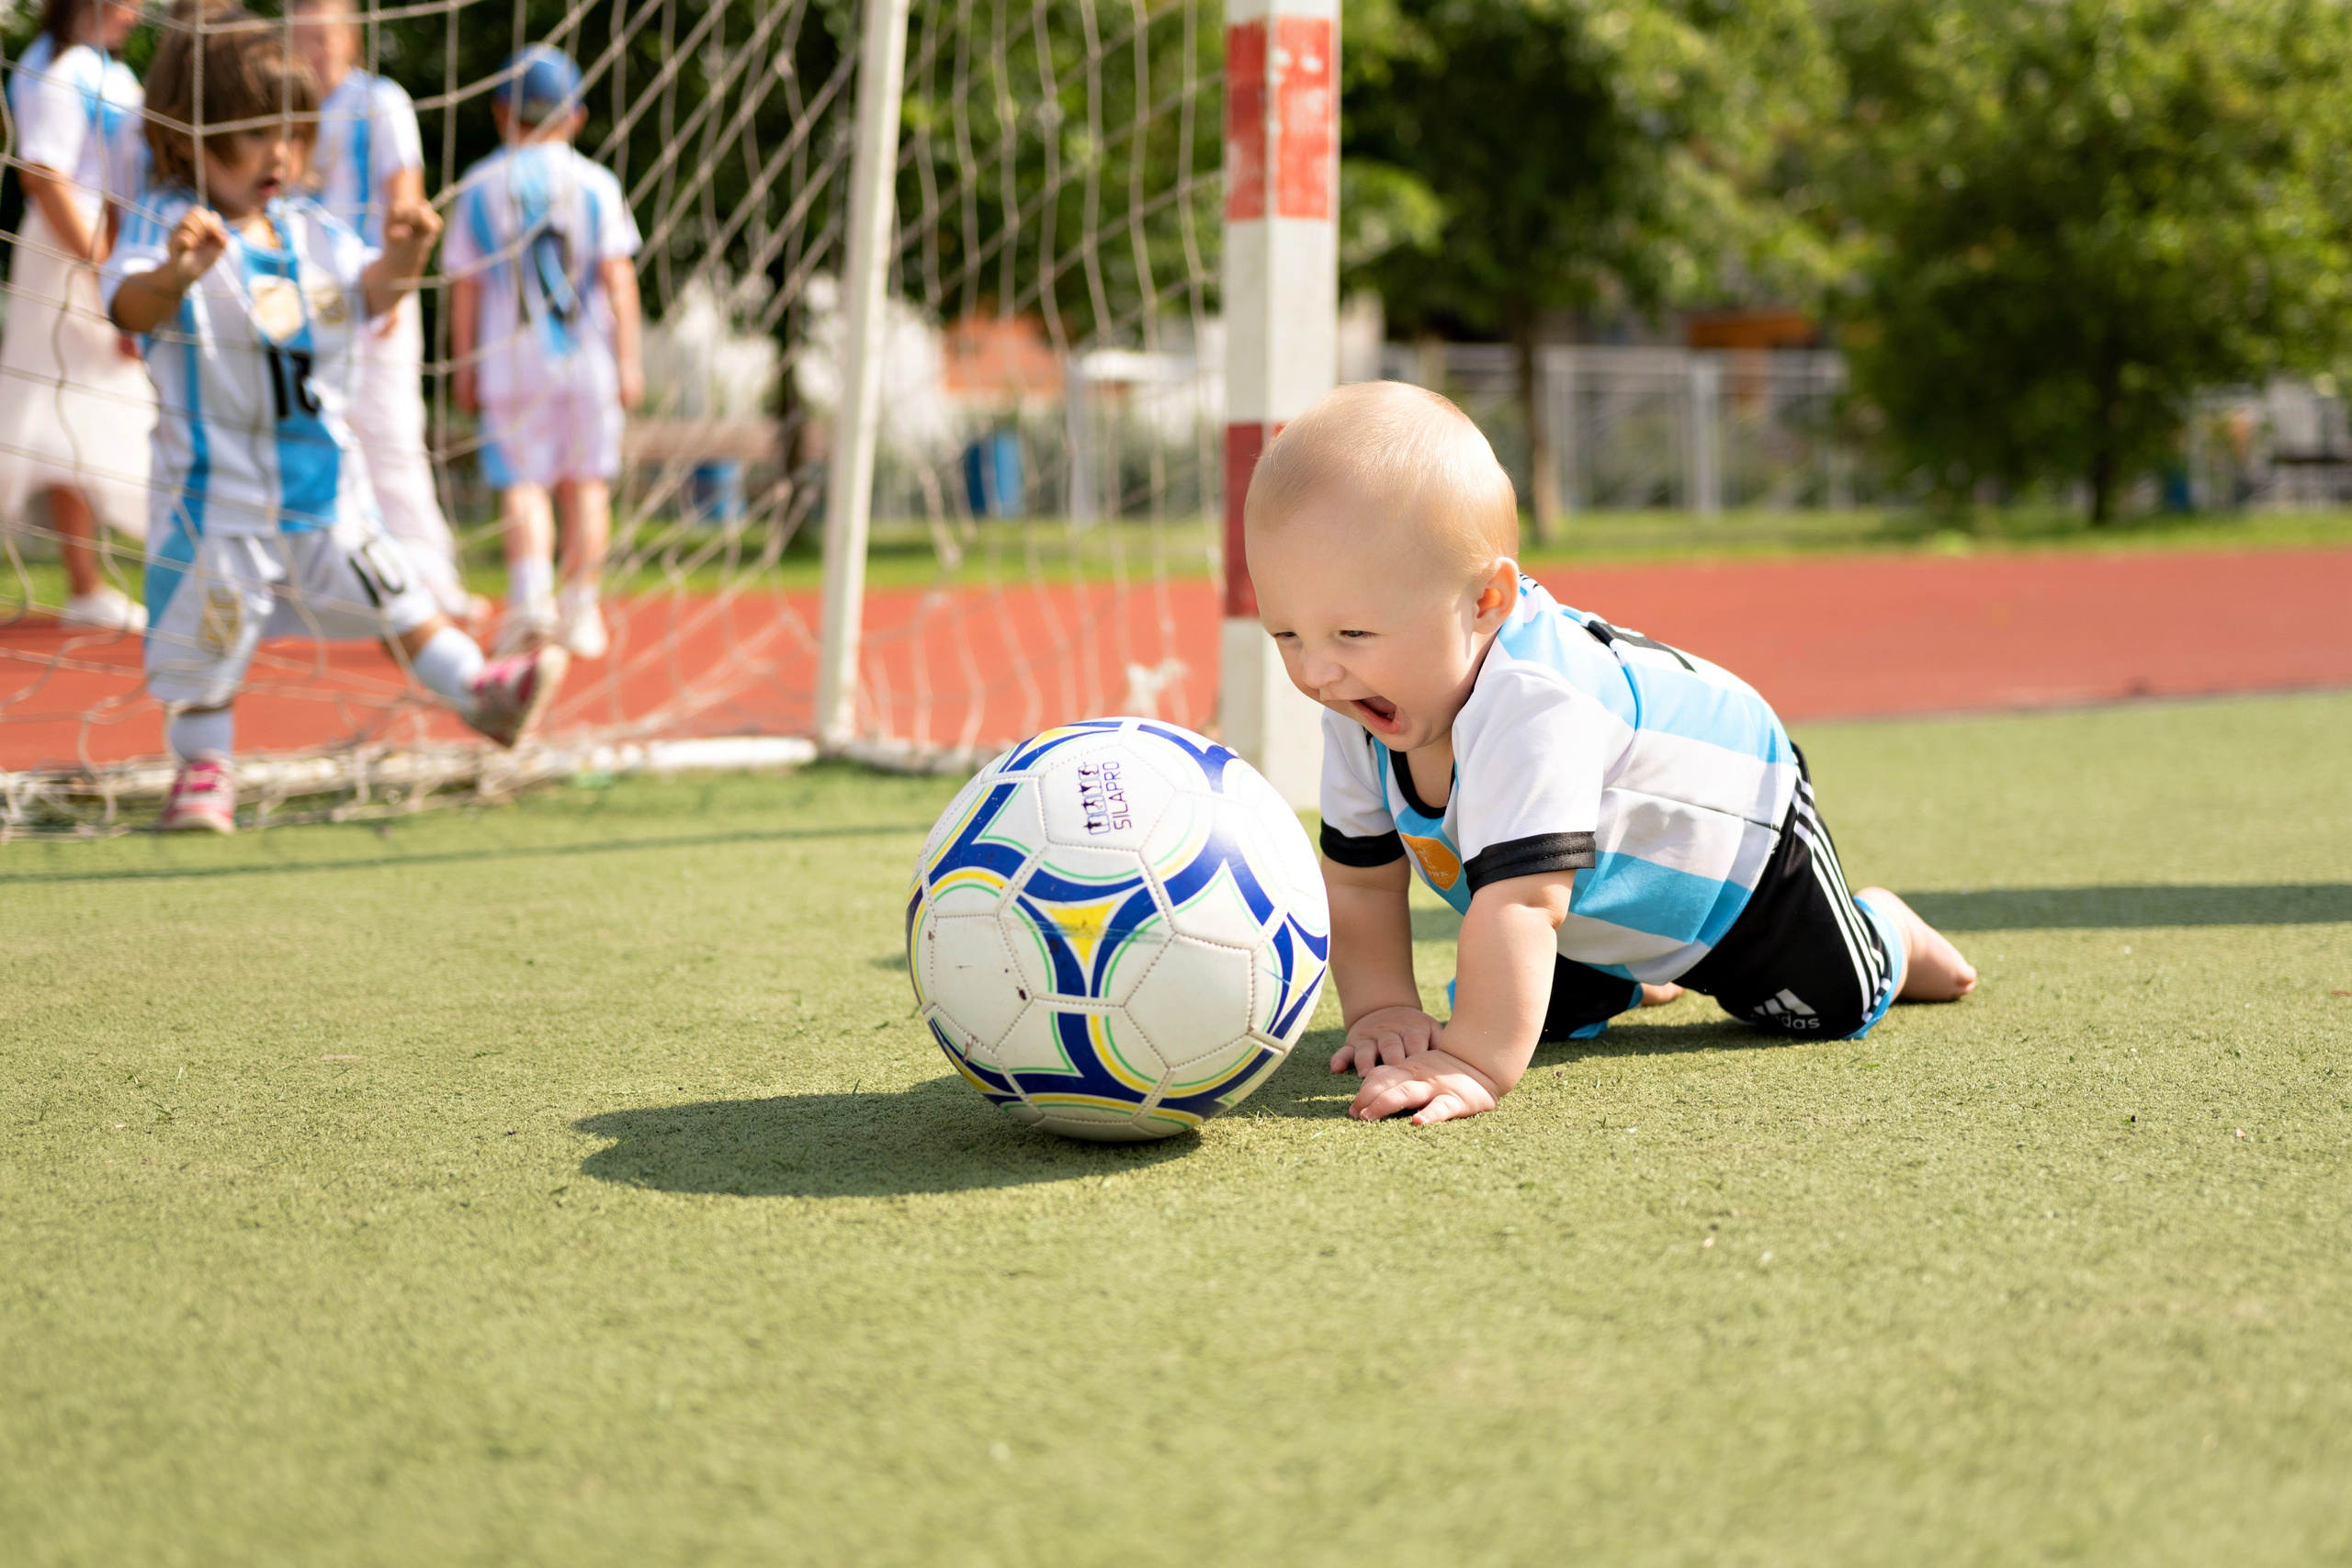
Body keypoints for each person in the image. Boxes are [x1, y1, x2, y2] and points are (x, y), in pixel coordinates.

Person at [1246, 382, 1978, 1125]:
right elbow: (1362, 881)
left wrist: (1471, 1063)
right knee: (1530, 1002)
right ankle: (1628, 972)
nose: (1313, 672)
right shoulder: (1357, 697)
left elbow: (1525, 903)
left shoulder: (1535, 702)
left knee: (1828, 1001)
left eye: (1352, 634)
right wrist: (1382, 1008)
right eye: (1287, 635)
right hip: (1598, 894)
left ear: (1485, 603)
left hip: (1738, 847)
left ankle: (1889, 929)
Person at [103, 13, 565, 833]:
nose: (279, 153)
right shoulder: (169, 220)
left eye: (293, 130)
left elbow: (370, 294)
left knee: (399, 595)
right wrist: (176, 274)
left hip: (324, 485)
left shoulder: (307, 228)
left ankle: (481, 693)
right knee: (203, 638)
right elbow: (127, 302)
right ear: (191, 137)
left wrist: (407, 255)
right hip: (218, 496)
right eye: (254, 134)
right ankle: (203, 771)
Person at [288, 0, 486, 631]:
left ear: (348, 37)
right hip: (297, 298)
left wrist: (397, 281)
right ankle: (313, 585)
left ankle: (433, 582)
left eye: (322, 37)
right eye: (301, 37)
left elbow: (405, 191)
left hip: (370, 289)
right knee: (304, 439)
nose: (313, 51)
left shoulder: (380, 101)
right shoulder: (281, 108)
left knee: (392, 439)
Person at [444, 43, 642, 661]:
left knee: (522, 485)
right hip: (586, 360)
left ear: (503, 111)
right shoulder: (596, 183)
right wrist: (629, 359)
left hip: (511, 361)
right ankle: (580, 607)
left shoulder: (480, 185)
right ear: (576, 116)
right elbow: (619, 279)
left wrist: (464, 363)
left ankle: (531, 602)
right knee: (587, 484)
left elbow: (466, 288)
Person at [0, 0, 157, 629]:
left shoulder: (101, 70)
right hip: (74, 253)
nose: (137, 13)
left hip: (105, 245)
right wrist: (102, 270)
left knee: (74, 421)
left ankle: (87, 584)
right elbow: (45, 175)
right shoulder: (62, 71)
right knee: (51, 410)